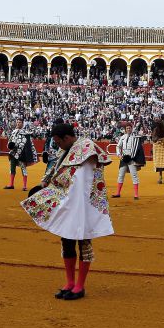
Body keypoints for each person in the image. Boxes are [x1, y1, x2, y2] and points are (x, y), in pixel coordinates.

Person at [21, 122, 113, 300]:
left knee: (84, 244)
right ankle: (70, 282)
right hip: (68, 202)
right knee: (67, 240)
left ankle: (80, 286)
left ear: (68, 138)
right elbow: (55, 172)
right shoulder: (65, 150)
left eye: (58, 141)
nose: (57, 145)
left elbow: (90, 169)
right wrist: (43, 184)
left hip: (85, 204)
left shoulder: (86, 147)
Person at [113, 122, 145, 199]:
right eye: (127, 128)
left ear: (132, 129)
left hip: (132, 159)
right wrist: (119, 155)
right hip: (124, 158)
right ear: (125, 129)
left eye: (129, 128)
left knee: (134, 176)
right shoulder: (123, 137)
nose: (128, 129)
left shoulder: (135, 137)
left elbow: (139, 146)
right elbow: (118, 146)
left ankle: (136, 194)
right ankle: (118, 193)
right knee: (121, 175)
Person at [4, 118, 38, 191]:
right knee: (12, 168)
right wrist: (9, 146)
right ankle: (11, 184)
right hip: (13, 153)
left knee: (23, 168)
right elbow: (10, 142)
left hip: (21, 153)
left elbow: (29, 145)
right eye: (17, 122)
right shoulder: (14, 132)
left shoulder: (26, 133)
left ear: (23, 124)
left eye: (20, 122)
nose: (18, 123)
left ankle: (25, 186)